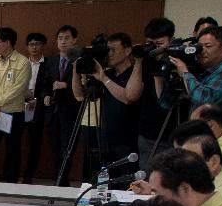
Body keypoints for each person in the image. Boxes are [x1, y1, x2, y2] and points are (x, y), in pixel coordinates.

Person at [71, 32, 142, 180]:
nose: (109, 54)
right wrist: (76, 71)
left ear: (128, 50)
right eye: (107, 50)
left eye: (113, 50)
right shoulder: (107, 73)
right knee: (105, 185)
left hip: (127, 141)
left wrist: (104, 79)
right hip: (105, 140)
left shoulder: (133, 74)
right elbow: (79, 96)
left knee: (125, 185)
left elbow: (128, 98)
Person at [171, 25, 222, 142]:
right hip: (200, 140)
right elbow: (166, 102)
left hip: (221, 143)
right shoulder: (200, 72)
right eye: (199, 46)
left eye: (208, 46)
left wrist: (184, 72)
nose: (202, 50)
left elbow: (204, 98)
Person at [0, 27, 32, 182]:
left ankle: (12, 180)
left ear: (8, 43)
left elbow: (19, 88)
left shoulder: (23, 62)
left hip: (13, 113)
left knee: (13, 149)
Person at [134, 17, 177, 167]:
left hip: (173, 131)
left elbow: (166, 100)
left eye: (160, 44)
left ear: (171, 40)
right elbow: (132, 94)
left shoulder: (178, 62)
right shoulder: (146, 59)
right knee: (147, 182)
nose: (155, 48)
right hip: (148, 131)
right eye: (151, 44)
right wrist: (138, 61)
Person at [46, 25, 81, 181]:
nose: (63, 42)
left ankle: (63, 180)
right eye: (60, 38)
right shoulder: (51, 61)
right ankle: (57, 179)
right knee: (54, 150)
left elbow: (84, 88)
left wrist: (66, 86)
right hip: (53, 112)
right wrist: (45, 95)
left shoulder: (79, 62)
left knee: (67, 150)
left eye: (67, 38)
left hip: (71, 112)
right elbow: (44, 85)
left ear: (74, 40)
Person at [22, 33, 50, 182]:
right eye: (31, 44)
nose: (34, 47)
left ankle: (29, 175)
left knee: (35, 144)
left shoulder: (49, 64)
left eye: (37, 44)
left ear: (43, 45)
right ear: (27, 46)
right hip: (20, 107)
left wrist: (37, 100)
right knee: (15, 142)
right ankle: (10, 173)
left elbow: (49, 86)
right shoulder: (21, 63)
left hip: (38, 109)